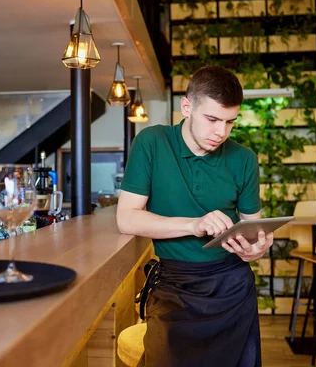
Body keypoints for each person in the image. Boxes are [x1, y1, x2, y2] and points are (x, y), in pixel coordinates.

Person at [116, 66, 274, 367]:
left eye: (230, 122)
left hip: (233, 286)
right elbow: (127, 219)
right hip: (173, 287)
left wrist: (259, 247)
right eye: (212, 119)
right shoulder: (152, 142)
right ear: (186, 107)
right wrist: (194, 224)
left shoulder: (244, 158)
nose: (221, 132)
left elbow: (255, 225)